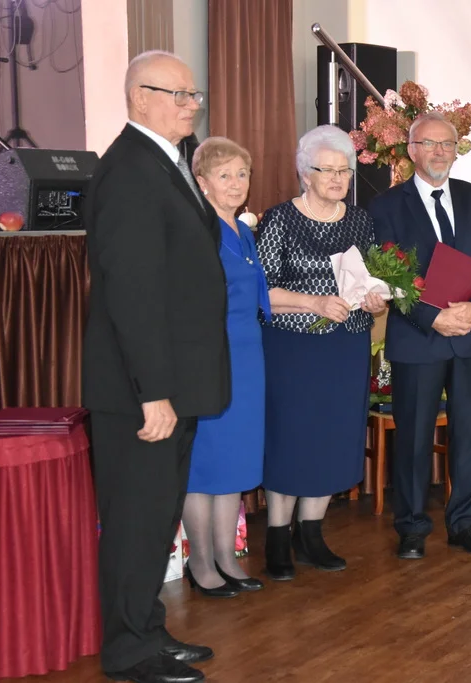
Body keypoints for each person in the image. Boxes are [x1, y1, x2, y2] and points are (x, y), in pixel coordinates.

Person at [82, 50, 224, 683]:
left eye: (195, 96)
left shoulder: (163, 163)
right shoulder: (130, 171)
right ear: (140, 98)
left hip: (171, 382)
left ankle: (147, 631)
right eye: (181, 95)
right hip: (144, 391)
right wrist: (154, 393)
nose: (192, 105)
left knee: (157, 516)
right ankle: (128, 651)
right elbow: (131, 294)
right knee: (137, 519)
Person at [368, 111, 471, 560]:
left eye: (446, 144)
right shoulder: (386, 206)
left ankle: (466, 523)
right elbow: (387, 275)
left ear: (456, 150)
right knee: (412, 437)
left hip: (469, 335)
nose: (438, 152)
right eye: (428, 144)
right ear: (411, 151)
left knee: (469, 435)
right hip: (418, 338)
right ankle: (411, 527)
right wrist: (432, 318)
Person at [255, 124, 386, 579]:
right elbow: (261, 291)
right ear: (304, 173)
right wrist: (312, 302)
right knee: (290, 436)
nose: (336, 179)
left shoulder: (360, 221)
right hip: (294, 348)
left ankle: (311, 532)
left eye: (344, 171)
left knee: (331, 435)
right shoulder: (280, 219)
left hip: (345, 345)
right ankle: (276, 534)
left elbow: (370, 281)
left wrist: (375, 298)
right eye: (325, 170)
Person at [179, 136, 270, 598]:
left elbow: (262, 297)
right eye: (224, 175)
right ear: (202, 181)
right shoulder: (198, 229)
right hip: (211, 355)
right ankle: (201, 563)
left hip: (249, 354)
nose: (236, 184)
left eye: (242, 174)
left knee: (234, 461)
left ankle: (225, 557)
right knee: (206, 464)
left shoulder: (245, 230)